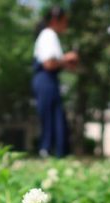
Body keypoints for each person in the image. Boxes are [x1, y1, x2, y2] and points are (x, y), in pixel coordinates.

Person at [32, 6, 79, 158]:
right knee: (50, 116)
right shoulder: (48, 35)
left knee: (56, 115)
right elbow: (48, 63)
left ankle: (58, 152)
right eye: (64, 22)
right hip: (45, 79)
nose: (66, 25)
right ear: (55, 21)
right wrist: (67, 58)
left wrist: (65, 63)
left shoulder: (50, 36)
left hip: (49, 79)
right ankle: (47, 150)